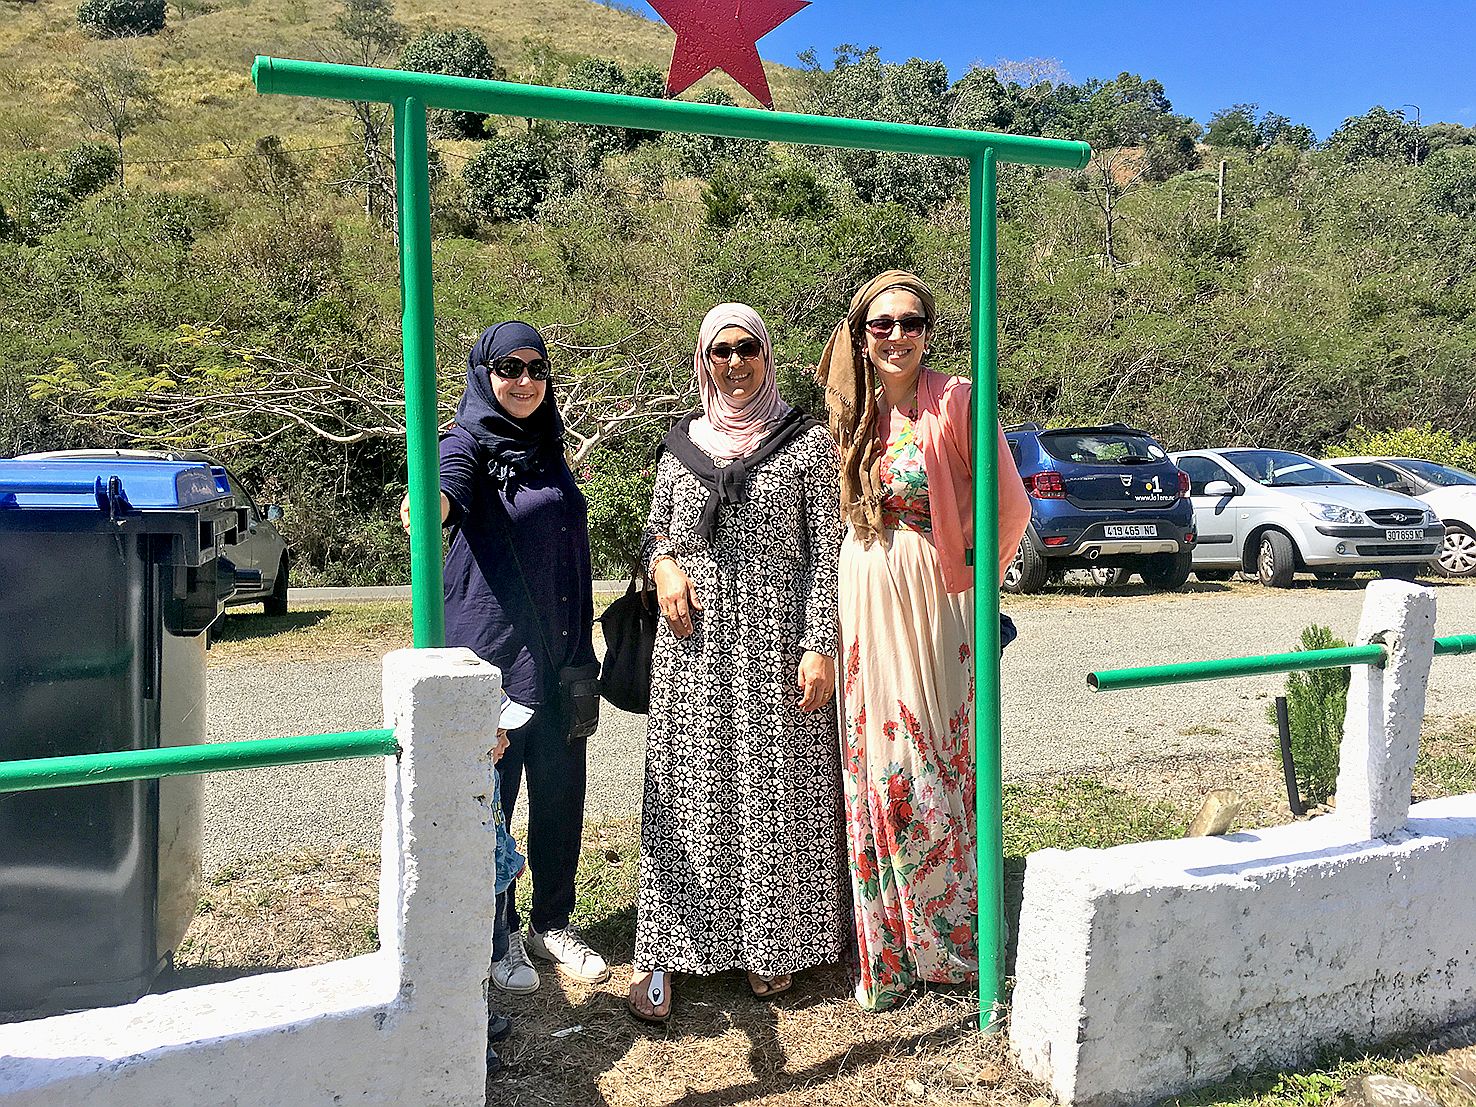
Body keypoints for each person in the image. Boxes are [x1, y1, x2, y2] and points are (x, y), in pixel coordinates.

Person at [816, 270, 1031, 1012]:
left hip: (933, 601)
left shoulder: (959, 401)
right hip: (863, 590)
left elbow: (1011, 507)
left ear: (929, 332)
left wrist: (969, 588)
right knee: (873, 762)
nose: (898, 335)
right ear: (862, 334)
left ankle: (953, 947)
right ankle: (889, 953)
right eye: (882, 324)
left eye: (911, 322)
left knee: (926, 761)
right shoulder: (853, 410)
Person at [628, 303, 849, 1022]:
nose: (732, 361)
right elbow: (656, 527)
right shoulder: (678, 445)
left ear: (766, 354)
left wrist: (820, 643)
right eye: (719, 349)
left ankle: (769, 945)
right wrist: (663, 565)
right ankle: (665, 949)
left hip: (778, 643)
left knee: (774, 793)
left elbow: (828, 553)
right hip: (693, 649)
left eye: (745, 347)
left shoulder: (806, 443)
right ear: (703, 358)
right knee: (687, 799)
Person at [400, 320, 608, 994]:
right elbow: (438, 494)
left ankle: (552, 923)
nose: (523, 381)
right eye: (508, 368)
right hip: (490, 663)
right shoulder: (464, 443)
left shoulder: (548, 448)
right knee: (492, 804)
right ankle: (498, 933)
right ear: (484, 374)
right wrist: (423, 505)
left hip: (560, 660)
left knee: (559, 796)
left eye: (536, 369)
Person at [487, 691, 530, 1074]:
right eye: (500, 733)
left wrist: (511, 859)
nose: (508, 743)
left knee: (490, 956)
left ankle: (481, 1014)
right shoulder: (468, 788)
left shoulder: (490, 779)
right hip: (481, 895)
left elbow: (500, 829)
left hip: (499, 887)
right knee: (474, 959)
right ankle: (471, 1036)